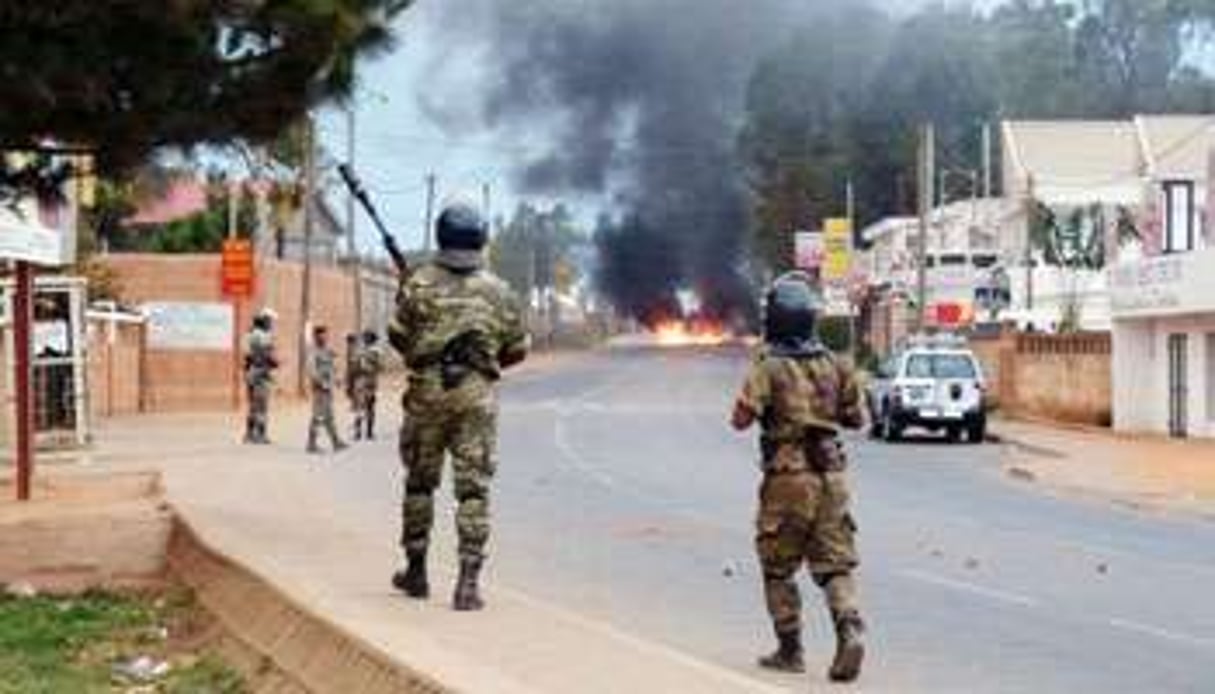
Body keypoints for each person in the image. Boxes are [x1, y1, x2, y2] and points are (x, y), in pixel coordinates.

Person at [388, 202, 529, 611]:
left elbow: (398, 336)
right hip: (476, 394)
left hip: (427, 393)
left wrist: (427, 349)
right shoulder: (499, 291)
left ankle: (416, 571)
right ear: (481, 240)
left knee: (419, 484)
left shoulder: (418, 284)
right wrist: (484, 367)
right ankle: (468, 584)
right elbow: (517, 348)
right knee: (473, 491)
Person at [730, 272, 867, 684]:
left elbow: (740, 419)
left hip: (788, 479)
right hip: (831, 478)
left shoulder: (769, 365)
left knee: (778, 566)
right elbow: (856, 419)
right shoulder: (836, 363)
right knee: (835, 564)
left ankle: (790, 650)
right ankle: (850, 628)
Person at [307, 325, 348, 454]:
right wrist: (320, 382)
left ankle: (336, 442)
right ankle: (311, 444)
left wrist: (337, 380)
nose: (324, 337)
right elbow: (311, 370)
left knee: (329, 416)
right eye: (321, 335)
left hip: (328, 388)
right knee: (317, 416)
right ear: (316, 337)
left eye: (325, 335)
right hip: (320, 389)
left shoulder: (328, 351)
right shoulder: (313, 352)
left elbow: (333, 367)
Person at [243, 308, 279, 444]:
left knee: (253, 405)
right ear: (265, 320)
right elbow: (266, 354)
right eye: (270, 321)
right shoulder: (263, 335)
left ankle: (249, 434)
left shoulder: (250, 333)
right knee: (262, 405)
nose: (271, 324)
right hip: (261, 372)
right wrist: (275, 362)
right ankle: (260, 434)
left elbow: (247, 355)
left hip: (251, 372)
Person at [352, 330, 384, 440]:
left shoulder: (359, 352)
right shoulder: (376, 352)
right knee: (369, 407)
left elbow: (354, 367)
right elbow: (381, 368)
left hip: (360, 381)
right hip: (370, 381)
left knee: (360, 408)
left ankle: (358, 432)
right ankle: (369, 433)